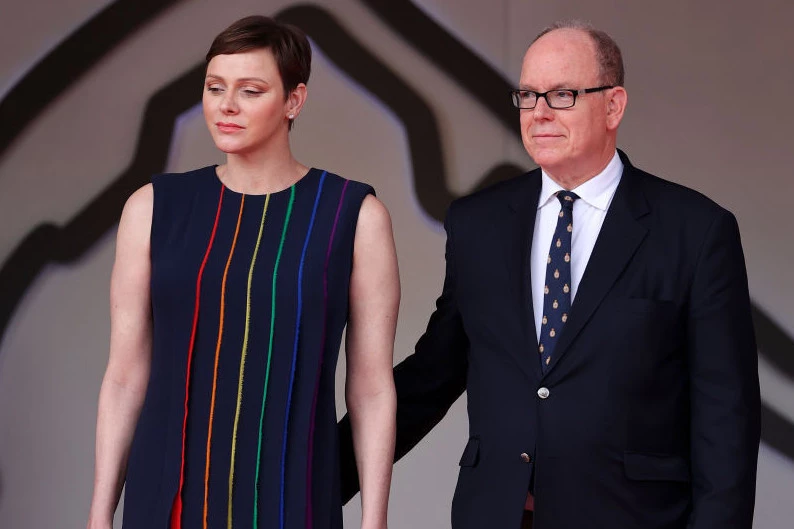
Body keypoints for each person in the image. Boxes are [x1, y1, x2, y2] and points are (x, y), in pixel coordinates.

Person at [339, 20, 760, 529]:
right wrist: (312, 477)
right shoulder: (478, 224)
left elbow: (726, 419)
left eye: (562, 95)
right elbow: (431, 377)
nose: (538, 112)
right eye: (527, 95)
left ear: (614, 105)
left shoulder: (695, 230)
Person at [87, 15, 398, 529]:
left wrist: (375, 519)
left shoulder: (354, 216)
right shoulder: (153, 208)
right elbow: (123, 377)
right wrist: (100, 515)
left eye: (250, 91)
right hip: (166, 500)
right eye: (215, 88)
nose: (226, 106)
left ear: (294, 101)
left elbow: (370, 388)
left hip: (292, 499)